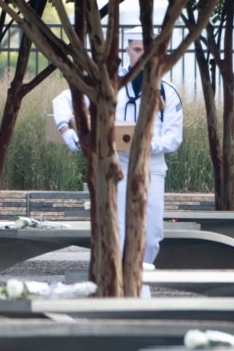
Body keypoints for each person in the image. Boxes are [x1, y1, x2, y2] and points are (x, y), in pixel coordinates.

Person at [53, 26, 184, 267]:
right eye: (136, 50)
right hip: (117, 164)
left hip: (151, 167)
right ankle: (121, 284)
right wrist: (67, 131)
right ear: (127, 50)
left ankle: (140, 283)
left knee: (152, 235)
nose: (141, 56)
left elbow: (174, 137)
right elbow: (63, 99)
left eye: (147, 51)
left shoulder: (168, 90)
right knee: (120, 230)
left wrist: (143, 143)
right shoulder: (110, 83)